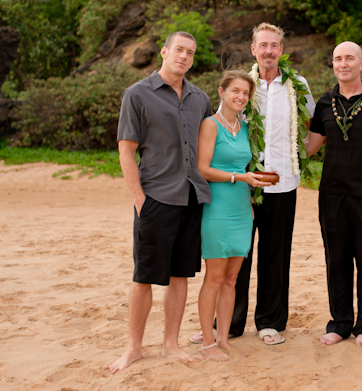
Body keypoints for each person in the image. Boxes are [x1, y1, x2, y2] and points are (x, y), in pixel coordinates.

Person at [190, 23, 316, 346]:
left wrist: (297, 157)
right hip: (242, 186)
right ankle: (229, 324)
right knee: (238, 254)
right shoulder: (244, 86)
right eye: (263, 45)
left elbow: (312, 125)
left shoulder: (297, 85)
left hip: (283, 184)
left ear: (281, 50)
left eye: (274, 45)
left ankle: (270, 322)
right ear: (253, 49)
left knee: (276, 254)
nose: (268, 51)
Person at [109, 31, 213, 374]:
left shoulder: (200, 99)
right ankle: (134, 348)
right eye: (179, 50)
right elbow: (126, 150)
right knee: (144, 276)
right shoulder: (137, 94)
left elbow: (209, 148)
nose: (184, 56)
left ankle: (171, 345)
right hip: (155, 198)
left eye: (190, 53)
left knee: (180, 275)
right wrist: (139, 199)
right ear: (165, 52)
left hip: (192, 199)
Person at [304, 41, 362, 347]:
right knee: (337, 259)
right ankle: (340, 323)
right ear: (333, 64)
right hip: (332, 194)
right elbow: (311, 146)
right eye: (338, 58)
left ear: (361, 63)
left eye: (350, 58)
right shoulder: (324, 102)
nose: (343, 63)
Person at [196, 70, 273, 361]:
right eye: (235, 91)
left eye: (245, 93)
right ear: (222, 92)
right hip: (217, 208)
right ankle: (207, 343)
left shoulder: (245, 127)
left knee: (231, 280)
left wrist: (251, 188)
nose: (241, 97)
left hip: (242, 209)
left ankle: (224, 339)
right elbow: (203, 169)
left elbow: (246, 167)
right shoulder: (210, 125)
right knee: (214, 279)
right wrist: (239, 178)